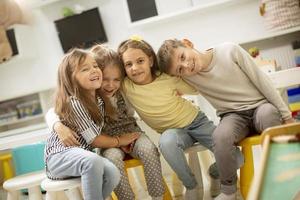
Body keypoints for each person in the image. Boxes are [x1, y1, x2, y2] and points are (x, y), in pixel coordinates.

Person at [157, 39, 295, 200]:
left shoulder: (230, 51)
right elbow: (158, 80)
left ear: (187, 44)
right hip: (232, 116)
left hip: (260, 106)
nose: (186, 66)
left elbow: (263, 82)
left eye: (182, 57)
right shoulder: (187, 77)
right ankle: (229, 192)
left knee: (269, 114)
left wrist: (287, 117)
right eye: (180, 69)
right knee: (220, 136)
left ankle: (281, 176)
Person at [46, 44, 166, 200]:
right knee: (103, 161)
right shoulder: (81, 100)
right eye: (85, 69)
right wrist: (57, 125)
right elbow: (58, 112)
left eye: (95, 67)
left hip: (108, 144)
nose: (111, 85)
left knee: (121, 167)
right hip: (84, 149)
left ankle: (157, 196)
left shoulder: (107, 97)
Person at [117, 37, 220, 200]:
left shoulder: (167, 78)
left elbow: (197, 88)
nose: (135, 68)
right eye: (128, 64)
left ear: (150, 60)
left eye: (140, 61)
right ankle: (191, 186)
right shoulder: (126, 85)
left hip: (197, 121)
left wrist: (193, 65)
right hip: (173, 133)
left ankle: (215, 172)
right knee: (166, 143)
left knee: (236, 158)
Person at [44, 48, 121, 200]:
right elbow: (93, 140)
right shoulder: (75, 101)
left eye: (95, 66)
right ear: (71, 79)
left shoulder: (99, 101)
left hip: (82, 158)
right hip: (58, 157)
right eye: (85, 69)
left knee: (112, 173)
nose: (94, 70)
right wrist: (120, 140)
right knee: (92, 161)